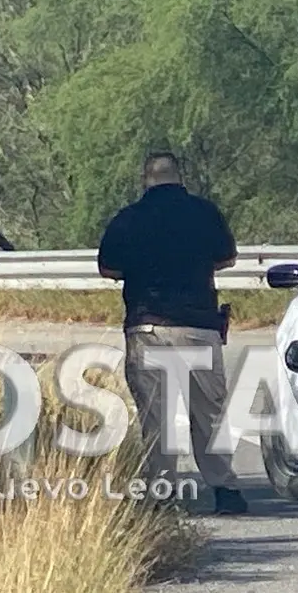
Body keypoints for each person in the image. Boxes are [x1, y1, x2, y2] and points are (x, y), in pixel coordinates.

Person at [96, 151, 247, 515]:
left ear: (145, 179)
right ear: (181, 178)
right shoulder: (204, 213)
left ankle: (164, 496)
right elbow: (227, 258)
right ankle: (225, 490)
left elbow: (108, 268)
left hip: (149, 328)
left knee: (157, 418)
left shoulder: (129, 219)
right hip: (199, 328)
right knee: (207, 415)